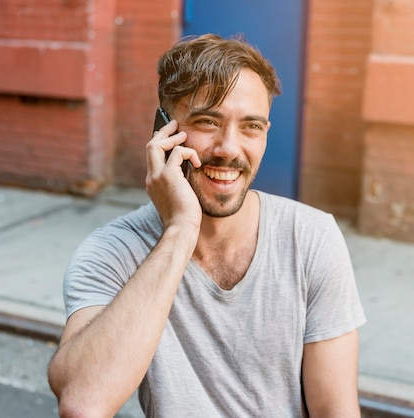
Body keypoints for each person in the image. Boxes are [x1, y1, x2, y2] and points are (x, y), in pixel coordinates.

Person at [48, 33, 366, 417]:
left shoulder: (311, 238)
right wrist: (180, 229)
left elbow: (336, 412)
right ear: (164, 131)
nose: (229, 148)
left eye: (250, 126)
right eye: (207, 122)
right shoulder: (113, 251)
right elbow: (83, 402)